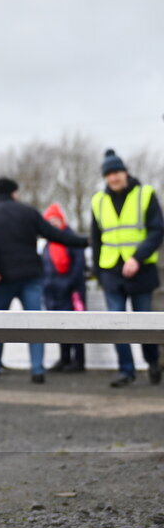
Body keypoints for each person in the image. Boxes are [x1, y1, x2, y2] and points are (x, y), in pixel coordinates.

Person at [0, 178, 87, 383]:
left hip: (2, 279)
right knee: (34, 324)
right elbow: (55, 234)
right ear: (14, 193)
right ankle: (37, 369)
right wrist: (85, 242)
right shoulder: (28, 212)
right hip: (31, 277)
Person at [90, 149, 163, 387]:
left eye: (117, 172)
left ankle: (153, 363)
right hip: (111, 272)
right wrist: (98, 273)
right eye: (108, 174)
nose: (113, 177)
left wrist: (137, 258)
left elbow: (157, 231)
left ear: (126, 172)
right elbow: (96, 238)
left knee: (144, 324)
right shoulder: (98, 201)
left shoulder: (145, 194)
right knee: (116, 323)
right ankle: (126, 370)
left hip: (140, 270)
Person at [40, 204, 86, 373]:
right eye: (49, 221)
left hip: (70, 291)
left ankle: (78, 361)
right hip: (53, 292)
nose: (52, 224)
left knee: (76, 327)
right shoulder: (48, 244)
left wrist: (69, 284)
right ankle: (64, 358)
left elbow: (79, 265)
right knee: (60, 326)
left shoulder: (71, 239)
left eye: (54, 220)